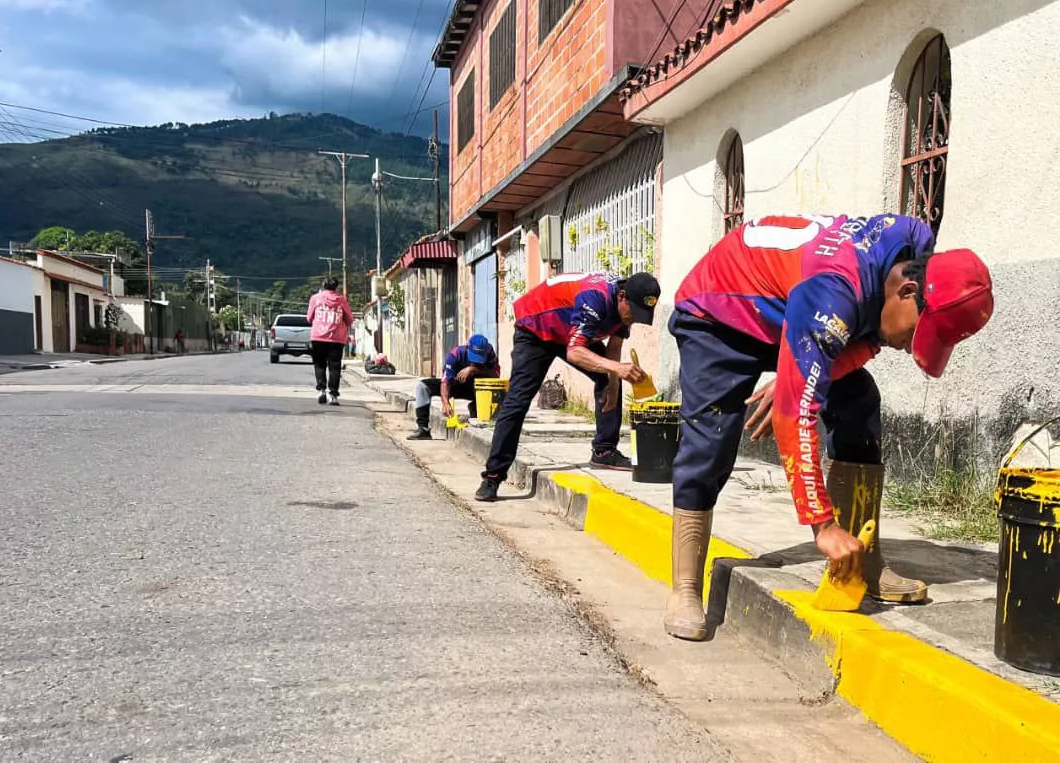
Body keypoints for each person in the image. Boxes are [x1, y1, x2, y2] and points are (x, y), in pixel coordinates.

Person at [663, 213, 994, 641]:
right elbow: (794, 415)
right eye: (917, 332)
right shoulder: (834, 293)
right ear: (907, 291)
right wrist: (822, 525)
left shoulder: (914, 249)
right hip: (722, 311)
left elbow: (867, 338)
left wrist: (796, 375)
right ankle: (685, 587)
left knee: (859, 402)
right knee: (711, 440)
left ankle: (861, 561)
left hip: (791, 309)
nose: (910, 346)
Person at [475, 271, 661, 502]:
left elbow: (613, 348)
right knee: (517, 401)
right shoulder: (596, 298)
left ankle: (604, 451)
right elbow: (575, 352)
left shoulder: (627, 307)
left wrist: (613, 384)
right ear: (622, 297)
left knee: (609, 376)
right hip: (536, 329)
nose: (632, 319)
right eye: (633, 313)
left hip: (569, 333)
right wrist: (616, 368)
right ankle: (493, 476)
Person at [408, 334, 500, 440]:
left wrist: (473, 370)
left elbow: (496, 375)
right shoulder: (455, 354)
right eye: (473, 357)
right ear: (467, 348)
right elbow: (445, 381)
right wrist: (446, 403)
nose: (475, 362)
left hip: (477, 389)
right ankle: (423, 429)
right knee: (422, 387)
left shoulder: (490, 353)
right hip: (456, 385)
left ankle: (475, 408)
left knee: (499, 391)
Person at [307, 277, 354, 405]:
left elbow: (309, 318)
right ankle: (333, 395)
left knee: (319, 365)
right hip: (336, 339)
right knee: (335, 367)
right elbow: (349, 319)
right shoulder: (342, 300)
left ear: (323, 286)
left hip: (318, 337)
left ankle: (321, 390)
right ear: (336, 287)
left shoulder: (315, 298)